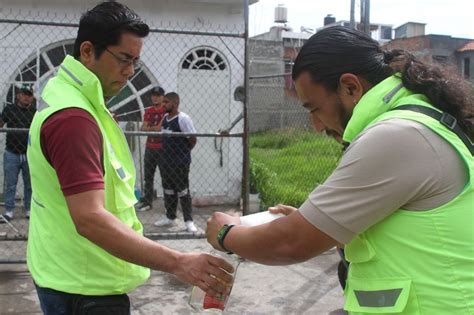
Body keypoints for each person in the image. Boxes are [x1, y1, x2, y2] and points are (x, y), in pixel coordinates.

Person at [206, 26, 473, 314]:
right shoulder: (416, 121)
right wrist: (321, 223)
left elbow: (291, 242)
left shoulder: (398, 135)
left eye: (314, 109)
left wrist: (225, 234)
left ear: (350, 87)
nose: (316, 125)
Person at [26, 2, 233, 314]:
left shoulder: (74, 100)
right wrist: (178, 262)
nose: (130, 72)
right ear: (87, 51)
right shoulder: (74, 118)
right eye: (124, 59)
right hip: (86, 287)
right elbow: (90, 219)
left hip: (72, 274)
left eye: (136, 62)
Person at [153, 92, 198, 233]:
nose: (163, 104)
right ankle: (170, 217)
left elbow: (193, 139)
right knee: (168, 190)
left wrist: (183, 153)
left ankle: (189, 221)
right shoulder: (165, 118)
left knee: (183, 191)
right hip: (165, 161)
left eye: (166, 102)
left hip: (180, 162)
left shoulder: (183, 119)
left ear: (175, 103)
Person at [0, 85, 35, 223]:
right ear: (18, 95)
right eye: (24, 94)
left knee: (30, 184)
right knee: (10, 184)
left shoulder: (34, 112)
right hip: (12, 153)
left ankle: (29, 209)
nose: (27, 97)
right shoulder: (9, 110)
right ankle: (8, 211)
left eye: (29, 95)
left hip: (29, 153)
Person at [135, 86, 167, 212]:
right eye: (153, 95)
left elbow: (159, 129)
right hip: (150, 147)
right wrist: (154, 128)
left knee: (166, 176)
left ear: (163, 97)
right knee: (148, 176)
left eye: (158, 95)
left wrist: (151, 128)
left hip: (163, 148)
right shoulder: (149, 111)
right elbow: (144, 128)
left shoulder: (166, 111)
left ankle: (168, 203)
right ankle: (147, 201)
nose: (155, 97)